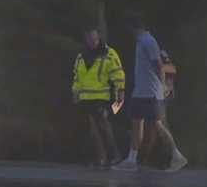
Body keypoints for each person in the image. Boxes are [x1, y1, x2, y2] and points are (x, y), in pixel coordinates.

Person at [112, 15, 187, 172]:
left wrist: (164, 87)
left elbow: (159, 66)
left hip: (151, 92)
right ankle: (132, 160)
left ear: (134, 29)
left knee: (157, 125)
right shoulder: (141, 42)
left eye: (130, 30)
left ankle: (177, 156)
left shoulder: (148, 41)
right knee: (136, 122)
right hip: (141, 91)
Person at [72, 27, 126, 169]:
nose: (92, 42)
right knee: (91, 128)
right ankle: (99, 158)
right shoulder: (81, 55)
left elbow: (117, 73)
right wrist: (75, 91)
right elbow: (78, 76)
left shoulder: (109, 53)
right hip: (85, 97)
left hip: (102, 96)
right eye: (89, 39)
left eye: (94, 39)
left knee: (103, 125)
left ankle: (114, 155)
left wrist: (120, 90)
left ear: (99, 38)